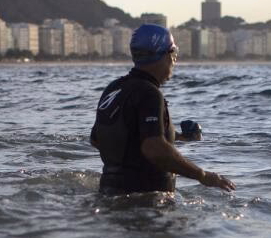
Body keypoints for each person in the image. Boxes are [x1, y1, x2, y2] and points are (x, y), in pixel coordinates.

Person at [90, 24, 235, 195]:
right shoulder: (149, 93)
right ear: (161, 55)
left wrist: (177, 137)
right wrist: (202, 175)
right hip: (143, 199)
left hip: (109, 190)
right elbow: (153, 148)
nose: (175, 59)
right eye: (173, 52)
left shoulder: (114, 88)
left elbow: (97, 138)